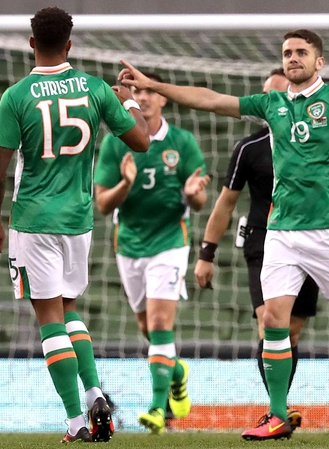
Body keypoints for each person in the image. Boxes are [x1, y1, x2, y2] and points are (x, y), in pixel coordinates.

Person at [118, 28, 329, 440]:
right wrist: (154, 85)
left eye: (301, 52)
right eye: (287, 52)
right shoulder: (271, 104)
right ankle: (277, 413)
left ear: (319, 61)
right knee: (273, 322)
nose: (293, 58)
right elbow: (210, 99)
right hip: (280, 232)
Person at [0, 6, 150, 443]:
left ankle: (75, 421)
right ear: (69, 44)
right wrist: (128, 98)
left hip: (34, 219)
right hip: (78, 220)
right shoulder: (95, 89)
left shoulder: (16, 96)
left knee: (49, 318)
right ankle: (94, 393)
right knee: (70, 310)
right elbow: (142, 141)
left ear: (32, 43)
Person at [193, 68, 317, 433]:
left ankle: (280, 407)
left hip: (309, 239)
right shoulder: (249, 148)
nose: (269, 102)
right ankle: (279, 410)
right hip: (263, 242)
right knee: (269, 323)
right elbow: (225, 203)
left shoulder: (314, 140)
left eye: (277, 93)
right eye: (265, 94)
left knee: (292, 332)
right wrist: (206, 253)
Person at [93, 72, 209, 434]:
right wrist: (126, 183)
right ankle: (176, 372)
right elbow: (102, 204)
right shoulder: (115, 143)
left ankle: (158, 409)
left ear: (162, 98)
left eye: (148, 91)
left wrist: (192, 194)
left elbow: (200, 200)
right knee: (148, 329)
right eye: (135, 91)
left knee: (160, 325)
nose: (142, 97)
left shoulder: (182, 142)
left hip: (170, 242)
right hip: (129, 244)